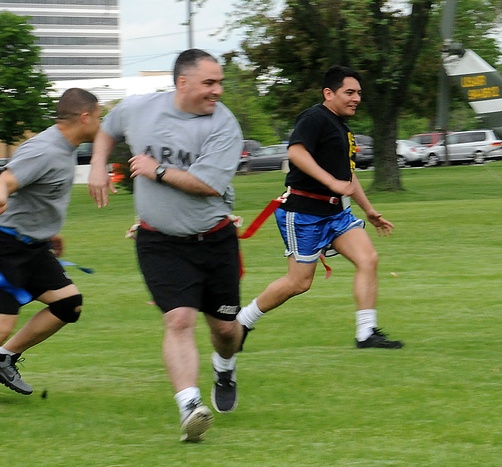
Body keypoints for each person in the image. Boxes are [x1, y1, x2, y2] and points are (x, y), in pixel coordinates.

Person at [87, 49, 244, 442]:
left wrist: (156, 170)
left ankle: (224, 367)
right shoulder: (140, 108)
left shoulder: (224, 126)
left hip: (215, 240)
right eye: (209, 83)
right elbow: (108, 127)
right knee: (178, 320)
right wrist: (96, 164)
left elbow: (208, 184)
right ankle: (190, 406)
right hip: (159, 240)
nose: (217, 91)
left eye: (219, 82)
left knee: (225, 329)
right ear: (183, 83)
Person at [236, 65, 401, 351]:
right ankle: (242, 321)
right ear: (329, 93)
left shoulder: (343, 130)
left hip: (336, 214)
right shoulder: (314, 118)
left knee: (368, 259)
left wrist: (369, 210)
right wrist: (331, 183)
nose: (356, 98)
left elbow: (348, 176)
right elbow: (295, 152)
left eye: (359, 93)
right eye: (349, 92)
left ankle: (366, 333)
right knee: (299, 283)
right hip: (303, 213)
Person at [0, 89, 101, 396]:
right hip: (7, 245)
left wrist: (49, 230)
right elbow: (6, 179)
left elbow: (38, 192)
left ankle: (4, 358)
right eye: (99, 118)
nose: (100, 124)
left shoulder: (67, 147)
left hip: (34, 246)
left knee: (69, 304)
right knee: (3, 322)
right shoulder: (45, 149)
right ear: (84, 118)